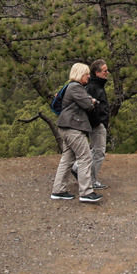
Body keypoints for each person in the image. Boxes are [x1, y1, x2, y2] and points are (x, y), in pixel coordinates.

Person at [50, 63, 102, 203]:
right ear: (80, 74)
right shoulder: (76, 87)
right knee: (85, 157)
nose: (89, 77)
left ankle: (58, 190)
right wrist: (93, 101)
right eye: (86, 74)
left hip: (65, 126)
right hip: (73, 128)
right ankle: (86, 192)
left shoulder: (71, 87)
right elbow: (88, 105)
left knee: (67, 159)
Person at [71, 59, 110, 190]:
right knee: (99, 152)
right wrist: (98, 122)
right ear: (97, 72)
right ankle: (91, 180)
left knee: (94, 150)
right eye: (105, 71)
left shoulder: (94, 86)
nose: (107, 73)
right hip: (96, 125)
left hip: (95, 124)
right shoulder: (94, 87)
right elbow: (90, 106)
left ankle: (77, 167)